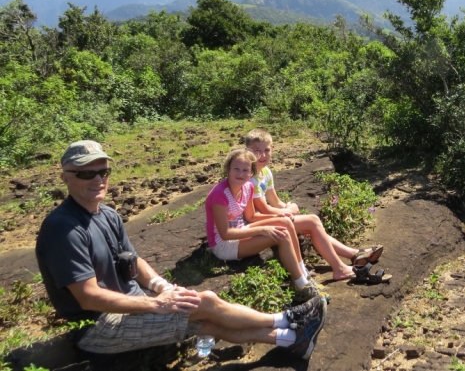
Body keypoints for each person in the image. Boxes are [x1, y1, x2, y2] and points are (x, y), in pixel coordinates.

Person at [36, 140, 326, 359]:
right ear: (65, 178)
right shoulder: (63, 229)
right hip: (99, 326)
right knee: (206, 303)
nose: (98, 179)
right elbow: (88, 297)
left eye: (103, 171)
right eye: (86, 174)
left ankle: (292, 339)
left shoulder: (108, 214)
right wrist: (156, 304)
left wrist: (162, 287)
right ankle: (290, 319)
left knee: (209, 321)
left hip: (133, 303)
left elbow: (134, 260)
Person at [244, 129, 384, 281]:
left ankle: (354, 254)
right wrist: (289, 210)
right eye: (257, 151)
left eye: (266, 150)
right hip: (256, 223)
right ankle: (340, 269)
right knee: (312, 221)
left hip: (268, 218)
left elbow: (275, 201)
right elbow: (263, 208)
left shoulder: (265, 172)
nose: (262, 155)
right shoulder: (250, 178)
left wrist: (287, 208)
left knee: (310, 224)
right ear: (247, 151)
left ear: (273, 149)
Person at [205, 148, 325, 301]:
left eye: (245, 170)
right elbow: (225, 234)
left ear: (251, 172)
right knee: (281, 235)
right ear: (228, 168)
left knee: (285, 222)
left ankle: (304, 274)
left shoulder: (248, 187)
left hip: (241, 230)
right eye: (236, 169)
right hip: (223, 245)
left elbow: (251, 216)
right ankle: (301, 286)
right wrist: (263, 230)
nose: (240, 174)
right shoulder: (219, 195)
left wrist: (278, 216)